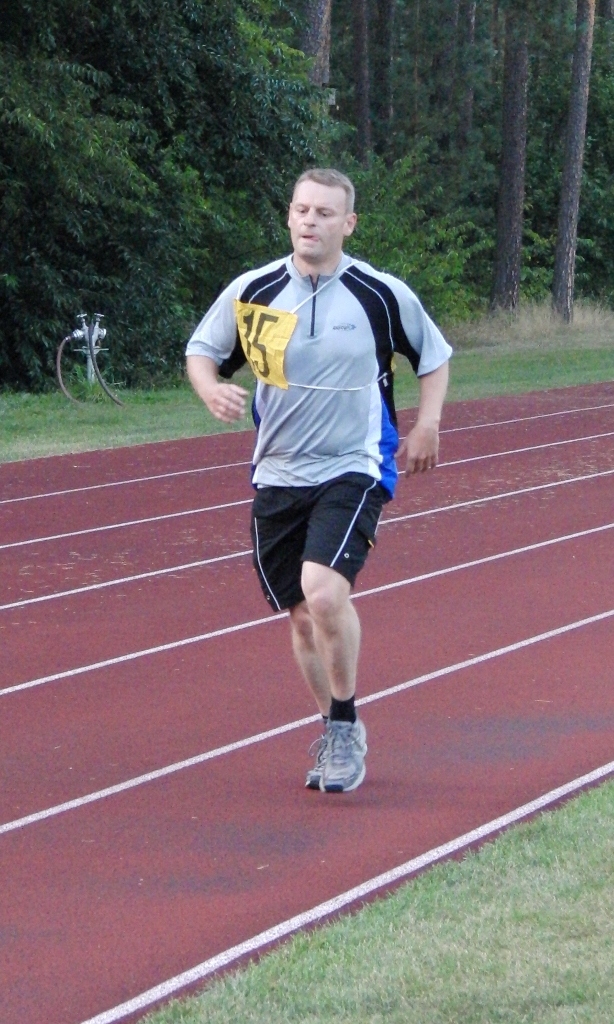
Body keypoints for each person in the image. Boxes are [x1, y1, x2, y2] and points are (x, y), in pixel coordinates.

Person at [186, 167, 452, 794]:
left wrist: (428, 424)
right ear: (289, 216)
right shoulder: (254, 290)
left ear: (348, 223)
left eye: (325, 213)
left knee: (325, 592)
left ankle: (345, 723)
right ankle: (335, 726)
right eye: (302, 210)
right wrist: (210, 388)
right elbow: (202, 350)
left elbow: (434, 357)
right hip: (278, 470)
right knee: (303, 617)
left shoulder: (378, 294)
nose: (311, 221)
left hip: (354, 463)